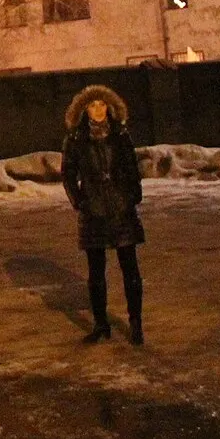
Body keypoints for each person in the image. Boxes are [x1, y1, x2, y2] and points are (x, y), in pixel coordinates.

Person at [60, 84, 145, 345]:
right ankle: (100, 324)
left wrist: (132, 196)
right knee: (96, 272)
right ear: (85, 109)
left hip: (121, 209)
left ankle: (135, 322)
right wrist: (79, 201)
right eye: (93, 105)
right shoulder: (75, 139)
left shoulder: (121, 135)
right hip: (93, 211)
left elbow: (132, 168)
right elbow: (68, 173)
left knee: (130, 268)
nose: (98, 110)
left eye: (102, 105)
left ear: (109, 107)